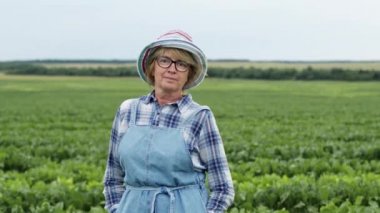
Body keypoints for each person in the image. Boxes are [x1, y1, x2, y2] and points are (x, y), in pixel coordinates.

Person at [103, 30, 234, 213]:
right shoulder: (128, 111)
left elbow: (223, 188)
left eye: (181, 64)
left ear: (189, 73)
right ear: (152, 67)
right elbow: (112, 179)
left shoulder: (199, 117)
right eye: (164, 60)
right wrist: (118, 209)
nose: (172, 69)